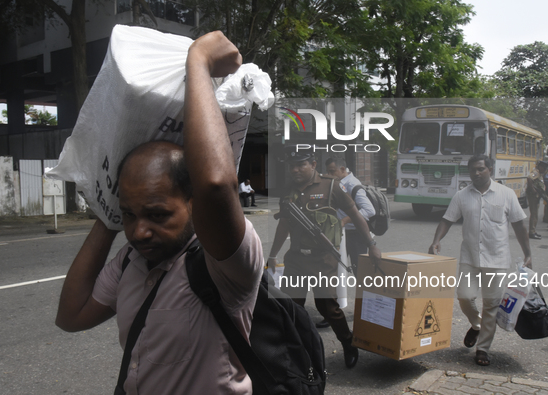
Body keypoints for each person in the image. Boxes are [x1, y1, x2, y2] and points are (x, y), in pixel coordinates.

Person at [55, 32, 264, 394]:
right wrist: (109, 216)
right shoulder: (128, 263)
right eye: (130, 215)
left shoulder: (225, 265)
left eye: (157, 214)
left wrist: (198, 60)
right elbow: (71, 316)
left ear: (193, 203)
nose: (138, 232)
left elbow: (216, 185)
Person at [267, 147, 382, 369]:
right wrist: (273, 254)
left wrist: (371, 244)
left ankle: (348, 344)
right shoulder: (289, 190)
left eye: (301, 165)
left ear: (313, 165)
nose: (295, 169)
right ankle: (296, 351)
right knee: (292, 307)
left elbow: (357, 215)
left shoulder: (331, 186)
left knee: (327, 307)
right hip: (296, 259)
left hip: (324, 260)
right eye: (292, 166)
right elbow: (284, 224)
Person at [428, 154, 532, 367]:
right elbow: (447, 219)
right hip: (470, 258)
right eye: (473, 170)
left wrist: (528, 253)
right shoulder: (462, 196)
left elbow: (520, 225)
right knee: (464, 297)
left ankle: (483, 348)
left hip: (498, 259)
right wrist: (436, 240)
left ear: (490, 169)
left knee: (491, 305)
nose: (476, 173)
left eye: (480, 169)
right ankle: (476, 325)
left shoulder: (506, 194)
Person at [325, 156, 375, 275]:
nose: (329, 174)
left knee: (360, 271)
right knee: (335, 269)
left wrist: (344, 221)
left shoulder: (352, 184)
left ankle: (364, 293)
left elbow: (369, 210)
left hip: (356, 235)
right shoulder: (338, 183)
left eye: (332, 171)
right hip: (342, 234)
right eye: (328, 171)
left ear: (342, 169)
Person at [526, 161, 548, 239]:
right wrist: (532, 189)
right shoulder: (536, 172)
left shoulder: (540, 174)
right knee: (534, 214)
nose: (545, 170)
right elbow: (529, 178)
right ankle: (531, 232)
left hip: (537, 196)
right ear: (540, 167)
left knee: (535, 214)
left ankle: (533, 231)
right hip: (533, 196)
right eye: (544, 168)